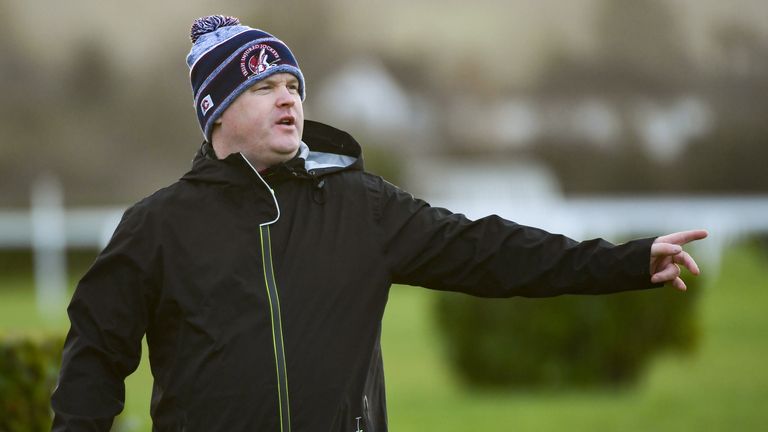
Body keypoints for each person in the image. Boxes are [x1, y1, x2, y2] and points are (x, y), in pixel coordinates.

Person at [50, 15, 707, 432]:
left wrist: (625, 261)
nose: (288, 99)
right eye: (262, 88)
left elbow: (489, 252)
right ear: (216, 112)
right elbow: (94, 358)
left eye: (294, 87)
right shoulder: (157, 227)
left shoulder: (361, 206)